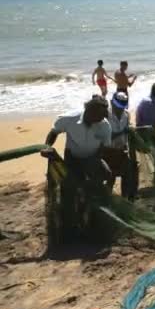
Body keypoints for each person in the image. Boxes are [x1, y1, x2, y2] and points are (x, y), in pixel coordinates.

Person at [42, 96, 113, 241]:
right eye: (99, 116)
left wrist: (96, 161)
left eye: (103, 116)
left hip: (93, 157)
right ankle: (69, 227)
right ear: (89, 110)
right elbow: (54, 132)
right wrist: (47, 147)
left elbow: (105, 147)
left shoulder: (104, 125)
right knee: (69, 190)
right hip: (73, 158)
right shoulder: (69, 118)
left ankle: (95, 221)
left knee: (105, 179)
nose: (101, 119)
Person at [104, 92, 137, 200]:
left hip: (122, 150)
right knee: (110, 176)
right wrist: (123, 131)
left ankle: (125, 198)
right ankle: (107, 198)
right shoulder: (105, 115)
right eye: (118, 107)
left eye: (122, 107)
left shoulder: (126, 114)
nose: (120, 109)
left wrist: (130, 130)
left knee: (127, 175)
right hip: (108, 151)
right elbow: (106, 137)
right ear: (112, 103)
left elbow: (128, 129)